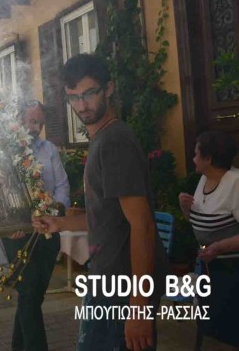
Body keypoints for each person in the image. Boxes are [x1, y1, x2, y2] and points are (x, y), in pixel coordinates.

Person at [33, 54, 170, 351]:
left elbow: (143, 225)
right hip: (106, 280)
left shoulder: (115, 142)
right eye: (73, 97)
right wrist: (59, 223)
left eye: (89, 93)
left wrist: (139, 305)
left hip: (123, 288)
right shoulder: (102, 139)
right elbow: (106, 216)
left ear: (108, 88)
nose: (82, 105)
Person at [0, 101, 71, 351]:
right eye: (31, 121)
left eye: (39, 123)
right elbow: (1, 193)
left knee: (33, 297)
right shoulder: (5, 151)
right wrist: (12, 223)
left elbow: (62, 185)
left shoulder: (48, 148)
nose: (36, 128)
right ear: (18, 120)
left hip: (48, 228)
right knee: (29, 292)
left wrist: (57, 209)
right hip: (17, 233)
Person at [178, 131, 239, 348]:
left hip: (232, 270)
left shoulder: (235, 183)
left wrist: (218, 247)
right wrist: (185, 208)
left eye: (196, 154)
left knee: (229, 329)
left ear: (208, 158)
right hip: (210, 267)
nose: (193, 158)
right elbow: (198, 221)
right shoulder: (204, 179)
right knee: (211, 327)